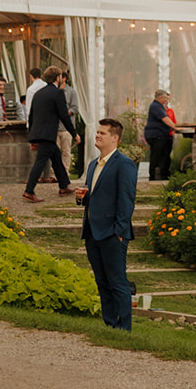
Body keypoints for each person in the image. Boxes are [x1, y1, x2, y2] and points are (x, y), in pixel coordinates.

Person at [76, 117, 137, 330]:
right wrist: (81, 198)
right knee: (101, 281)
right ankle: (109, 323)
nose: (98, 135)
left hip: (113, 233)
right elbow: (92, 198)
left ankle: (124, 327)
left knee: (117, 282)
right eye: (98, 132)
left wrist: (119, 232)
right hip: (92, 232)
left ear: (115, 138)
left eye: (102, 133)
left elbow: (127, 200)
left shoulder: (124, 164)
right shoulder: (93, 164)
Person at [22, 67, 76, 202]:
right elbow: (64, 116)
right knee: (40, 162)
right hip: (48, 134)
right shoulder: (58, 93)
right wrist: (74, 134)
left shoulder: (38, 93)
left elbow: (31, 116)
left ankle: (64, 186)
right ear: (57, 78)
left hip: (40, 133)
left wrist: (32, 136)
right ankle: (29, 191)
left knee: (57, 158)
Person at [144, 88, 174, 181]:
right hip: (156, 135)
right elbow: (165, 119)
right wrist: (175, 127)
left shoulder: (160, 106)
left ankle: (163, 175)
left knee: (163, 155)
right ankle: (153, 176)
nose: (166, 100)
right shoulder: (156, 106)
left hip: (162, 135)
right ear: (160, 97)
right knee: (156, 155)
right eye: (165, 98)